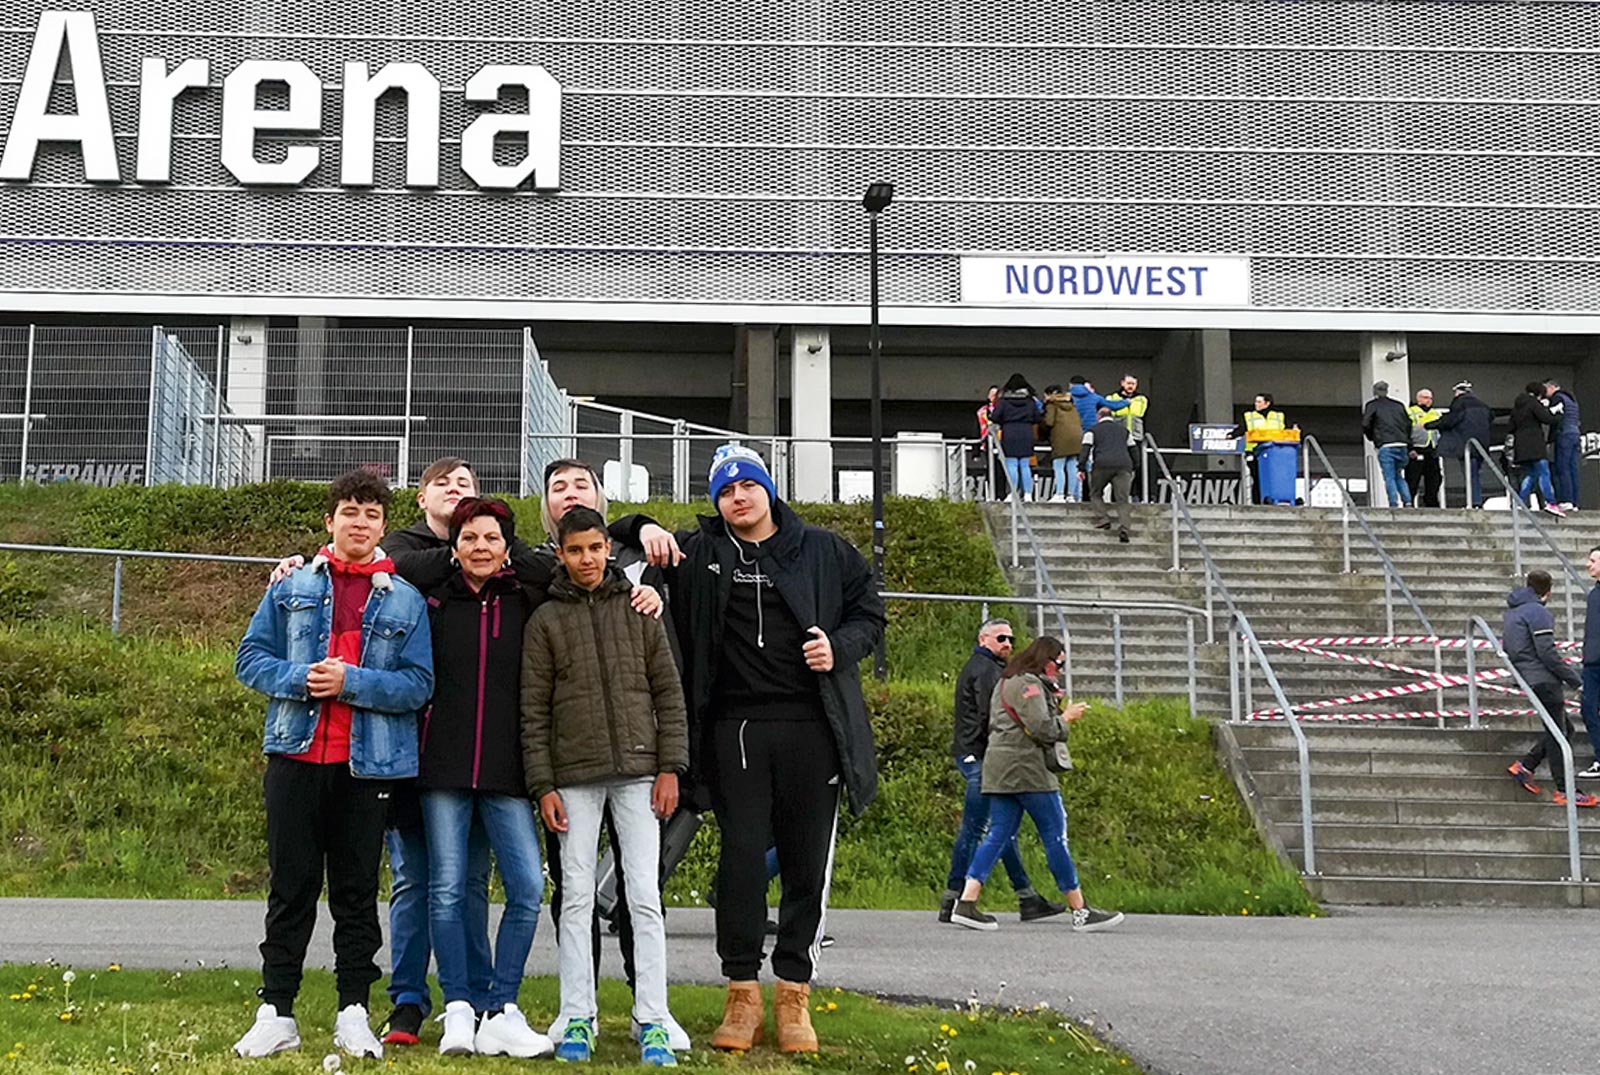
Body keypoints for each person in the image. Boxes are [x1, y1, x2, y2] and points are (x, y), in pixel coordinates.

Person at [663, 444, 885, 1055]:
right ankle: (741, 994)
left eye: (748, 487)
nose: (738, 498)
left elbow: (871, 615)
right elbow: (627, 549)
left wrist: (839, 647)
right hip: (735, 728)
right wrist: (645, 527)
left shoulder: (824, 550)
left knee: (805, 863)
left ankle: (794, 995)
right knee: (739, 862)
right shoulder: (702, 552)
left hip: (813, 727)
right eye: (725, 491)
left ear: (768, 489)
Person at [232, 469, 434, 1060]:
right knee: (289, 889)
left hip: (366, 767)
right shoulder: (291, 586)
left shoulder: (405, 599)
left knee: (355, 894)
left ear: (382, 526)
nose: (360, 523)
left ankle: (353, 1011)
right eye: (350, 512)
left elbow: (418, 685)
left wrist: (353, 682)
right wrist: (302, 679)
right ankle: (277, 1010)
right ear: (330, 521)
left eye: (372, 515)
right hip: (295, 755)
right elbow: (250, 659)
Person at [521, 506, 690, 1067]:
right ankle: (578, 1016)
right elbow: (533, 712)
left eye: (596, 548)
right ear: (561, 554)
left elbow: (669, 693)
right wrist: (542, 783)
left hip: (642, 775)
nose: (587, 559)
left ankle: (654, 1019)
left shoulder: (642, 611)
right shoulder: (545, 621)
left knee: (644, 899)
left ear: (608, 550)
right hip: (573, 780)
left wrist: (671, 768)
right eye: (575, 551)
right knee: (575, 900)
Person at [420, 497, 552, 1058]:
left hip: (508, 769)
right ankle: (458, 1008)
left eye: (492, 539)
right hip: (441, 768)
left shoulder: (527, 599)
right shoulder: (430, 601)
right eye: (469, 537)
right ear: (454, 547)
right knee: (449, 889)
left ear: (506, 549)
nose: (480, 547)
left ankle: (502, 1006)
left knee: (526, 887)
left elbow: (560, 571)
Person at [948, 636, 1122, 933]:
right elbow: (1042, 728)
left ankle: (966, 902)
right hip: (1027, 771)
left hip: (1000, 770)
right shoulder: (1028, 684)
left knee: (998, 835)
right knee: (1055, 835)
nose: (1060, 669)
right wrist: (1066, 718)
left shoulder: (1006, 680)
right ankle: (1080, 910)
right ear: (1045, 658)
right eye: (1059, 663)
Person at [939, 619, 1064, 924]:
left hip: (983, 756)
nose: (1008, 644)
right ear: (983, 639)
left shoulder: (991, 669)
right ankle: (955, 898)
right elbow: (992, 718)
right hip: (981, 756)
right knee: (980, 828)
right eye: (1000, 638)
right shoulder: (985, 671)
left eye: (1010, 639)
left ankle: (1024, 896)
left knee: (1000, 829)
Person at [1504, 571, 1594, 806]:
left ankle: (1526, 765)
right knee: (1559, 734)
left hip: (1528, 677)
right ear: (1548, 592)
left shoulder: (1514, 612)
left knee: (1566, 729)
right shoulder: (1538, 612)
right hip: (1543, 679)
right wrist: (1575, 679)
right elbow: (1547, 653)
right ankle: (1565, 790)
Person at [1080, 406, 1135, 544]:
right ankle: (1124, 528)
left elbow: (1085, 450)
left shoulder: (1092, 431)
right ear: (1112, 416)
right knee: (1122, 500)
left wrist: (1081, 467)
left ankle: (1103, 518)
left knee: (1095, 493)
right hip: (1123, 465)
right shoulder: (1124, 431)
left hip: (1101, 465)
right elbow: (1134, 449)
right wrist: (1134, 466)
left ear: (1099, 417)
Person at [1435, 381, 1492, 507]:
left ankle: (1474, 502)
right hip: (1482, 445)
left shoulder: (1459, 404)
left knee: (1470, 475)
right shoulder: (1484, 406)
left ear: (1459, 393)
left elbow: (1450, 421)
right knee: (1475, 474)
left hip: (1465, 445)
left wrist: (1430, 425)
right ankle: (1475, 501)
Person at [1511, 381, 1563, 517]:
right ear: (1539, 394)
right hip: (1535, 445)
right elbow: (1546, 418)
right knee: (1544, 472)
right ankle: (1551, 502)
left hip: (1521, 446)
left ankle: (1520, 502)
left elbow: (1511, 427)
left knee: (1530, 474)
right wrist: (1558, 415)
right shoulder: (1533, 403)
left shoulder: (1517, 407)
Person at [1362, 381, 1412, 509]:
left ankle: (1393, 503)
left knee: (1389, 476)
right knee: (1398, 474)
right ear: (1387, 390)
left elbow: (1366, 424)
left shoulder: (1372, 405)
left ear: (1375, 392)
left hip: (1386, 445)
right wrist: (1407, 441)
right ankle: (1408, 502)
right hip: (1402, 445)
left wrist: (1372, 438)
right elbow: (1408, 424)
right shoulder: (1399, 405)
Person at [992, 373, 1043, 501]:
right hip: (1026, 432)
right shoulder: (1030, 401)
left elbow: (995, 417)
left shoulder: (1004, 401)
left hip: (1009, 432)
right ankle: (1028, 494)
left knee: (1012, 464)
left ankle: (1013, 493)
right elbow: (1038, 417)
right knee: (1025, 464)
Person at [1230, 394, 1288, 504]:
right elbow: (1242, 428)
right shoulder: (1249, 416)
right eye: (1256, 401)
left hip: (1274, 452)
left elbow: (1285, 430)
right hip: (1254, 451)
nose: (1256, 404)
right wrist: (1232, 435)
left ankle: (1272, 499)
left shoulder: (1278, 416)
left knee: (1273, 477)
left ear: (1267, 403)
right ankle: (1259, 502)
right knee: (1257, 477)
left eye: (1259, 402)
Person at [1106, 374, 1150, 500]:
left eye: (1133, 384)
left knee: (1136, 466)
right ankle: (1116, 496)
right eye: (1128, 383)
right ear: (1122, 383)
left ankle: (1136, 495)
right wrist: (1126, 404)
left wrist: (1122, 405)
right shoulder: (1111, 397)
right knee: (1117, 467)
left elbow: (1138, 412)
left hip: (1135, 437)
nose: (1131, 386)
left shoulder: (1141, 398)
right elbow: (1114, 412)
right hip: (1117, 438)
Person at [1578, 548, 1600, 781]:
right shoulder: (1594, 594)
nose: (1587, 564)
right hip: (1592, 663)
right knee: (1588, 709)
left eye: (1593, 561)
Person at [1040, 385, 1083, 503]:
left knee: (1058, 466)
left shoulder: (1052, 405)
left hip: (1060, 438)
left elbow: (1049, 422)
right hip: (1076, 438)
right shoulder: (1072, 404)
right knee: (1072, 466)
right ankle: (1071, 495)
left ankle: (1059, 494)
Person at [1545, 379, 1582, 511]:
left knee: (1562, 468)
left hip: (1564, 434)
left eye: (1546, 389)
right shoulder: (1571, 400)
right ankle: (1574, 501)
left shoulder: (1557, 398)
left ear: (1552, 387)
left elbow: (1555, 418)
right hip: (1575, 434)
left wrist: (1549, 440)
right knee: (1573, 469)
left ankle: (1566, 499)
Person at [1405, 387, 1444, 508]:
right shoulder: (1410, 411)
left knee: (1435, 478)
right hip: (1417, 449)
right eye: (1426, 398)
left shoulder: (1436, 413)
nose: (1429, 400)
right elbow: (1405, 431)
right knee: (1412, 479)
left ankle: (1431, 502)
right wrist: (1409, 448)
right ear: (1418, 399)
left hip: (1432, 450)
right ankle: (1409, 502)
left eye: (1430, 398)